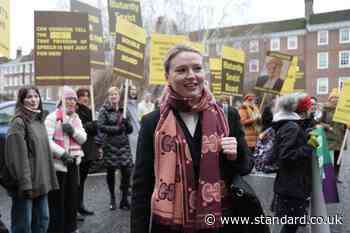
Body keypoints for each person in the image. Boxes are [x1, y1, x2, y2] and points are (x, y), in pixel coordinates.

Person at [131, 45, 266, 233]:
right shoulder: (153, 122)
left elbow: (246, 167)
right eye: (181, 70)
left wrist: (237, 154)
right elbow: (142, 186)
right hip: (172, 226)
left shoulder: (227, 116)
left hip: (222, 222)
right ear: (167, 76)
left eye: (197, 68)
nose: (191, 75)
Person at [5, 86, 59, 233]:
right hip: (26, 185)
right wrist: (25, 184)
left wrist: (49, 179)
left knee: (42, 221)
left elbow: (44, 156)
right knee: (23, 225)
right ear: (22, 101)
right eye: (29, 97)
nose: (34, 100)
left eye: (36, 96)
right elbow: (17, 158)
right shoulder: (18, 123)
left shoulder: (38, 121)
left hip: (40, 182)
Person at [271, 93, 317, 233]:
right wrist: (309, 146)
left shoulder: (292, 125)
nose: (312, 109)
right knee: (290, 226)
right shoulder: (292, 127)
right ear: (303, 110)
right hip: (292, 186)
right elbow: (285, 156)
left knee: (291, 225)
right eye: (310, 106)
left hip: (291, 184)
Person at [45, 86, 87, 233]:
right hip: (58, 166)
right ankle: (57, 229)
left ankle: (71, 228)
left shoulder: (76, 118)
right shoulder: (52, 117)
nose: (71, 102)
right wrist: (63, 154)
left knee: (71, 199)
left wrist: (73, 131)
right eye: (68, 98)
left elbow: (83, 139)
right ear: (62, 99)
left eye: (74, 99)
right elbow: (47, 141)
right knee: (57, 201)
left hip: (73, 164)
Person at [96, 87, 133, 210]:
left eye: (115, 94)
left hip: (124, 146)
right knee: (111, 172)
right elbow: (100, 126)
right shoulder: (104, 110)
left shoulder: (124, 109)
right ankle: (112, 198)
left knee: (126, 172)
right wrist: (116, 129)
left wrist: (127, 124)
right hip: (110, 145)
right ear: (108, 96)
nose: (113, 96)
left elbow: (130, 130)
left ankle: (124, 199)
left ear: (119, 96)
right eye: (111, 94)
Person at [76, 88, 99, 216]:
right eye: (82, 96)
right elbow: (80, 128)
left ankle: (80, 205)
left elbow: (95, 131)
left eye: (87, 96)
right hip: (80, 149)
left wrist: (95, 126)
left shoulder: (90, 111)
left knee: (82, 180)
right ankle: (74, 208)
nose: (85, 98)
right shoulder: (77, 111)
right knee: (76, 182)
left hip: (88, 150)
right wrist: (91, 125)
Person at [320, 90, 346, 181]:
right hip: (329, 137)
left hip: (340, 138)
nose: (335, 99)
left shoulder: (344, 111)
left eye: (337, 98)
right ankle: (327, 175)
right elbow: (319, 122)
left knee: (338, 159)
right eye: (333, 97)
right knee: (329, 158)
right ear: (330, 99)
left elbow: (345, 125)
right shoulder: (325, 109)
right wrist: (328, 127)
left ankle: (336, 176)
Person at [121, 85, 140, 162]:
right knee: (132, 157)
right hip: (130, 134)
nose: (133, 91)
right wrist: (123, 88)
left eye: (135, 89)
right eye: (132, 89)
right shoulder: (125, 104)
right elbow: (120, 96)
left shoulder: (137, 104)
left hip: (139, 132)